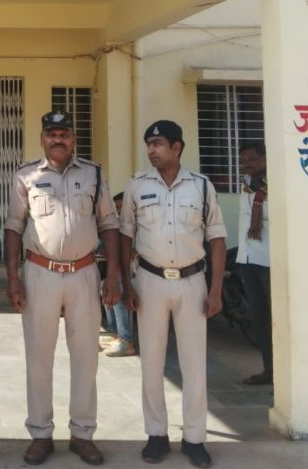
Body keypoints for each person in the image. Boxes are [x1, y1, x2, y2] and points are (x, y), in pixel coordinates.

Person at [4, 110, 120, 467]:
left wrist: (113, 274)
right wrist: (12, 276)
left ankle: (82, 434)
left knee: (85, 357)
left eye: (64, 134)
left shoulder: (93, 174)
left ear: (73, 138)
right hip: (40, 273)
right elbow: (13, 225)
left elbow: (109, 223)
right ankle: (40, 434)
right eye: (52, 134)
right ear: (43, 138)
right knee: (39, 357)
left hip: (84, 273)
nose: (58, 139)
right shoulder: (26, 175)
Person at [119, 120, 227, 468]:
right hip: (149, 282)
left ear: (177, 147)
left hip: (192, 282)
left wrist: (216, 290)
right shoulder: (137, 185)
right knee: (151, 362)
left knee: (194, 364)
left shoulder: (201, 186)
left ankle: (195, 439)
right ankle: (156, 435)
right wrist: (126, 284)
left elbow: (217, 239)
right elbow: (125, 236)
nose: (151, 150)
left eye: (158, 144)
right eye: (148, 144)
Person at [236, 142, 272, 385]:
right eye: (243, 161)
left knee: (277, 319)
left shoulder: (276, 186)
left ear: (265, 159)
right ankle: (270, 371)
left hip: (270, 261)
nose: (246, 164)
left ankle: (288, 377)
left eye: (251, 160)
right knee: (258, 319)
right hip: (248, 259)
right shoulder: (247, 186)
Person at [100, 193, 136, 357]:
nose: (120, 211)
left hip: (138, 273)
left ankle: (125, 339)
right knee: (105, 287)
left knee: (118, 289)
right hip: (123, 272)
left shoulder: (137, 225)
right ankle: (113, 332)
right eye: (117, 208)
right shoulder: (117, 226)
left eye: (122, 207)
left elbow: (135, 252)